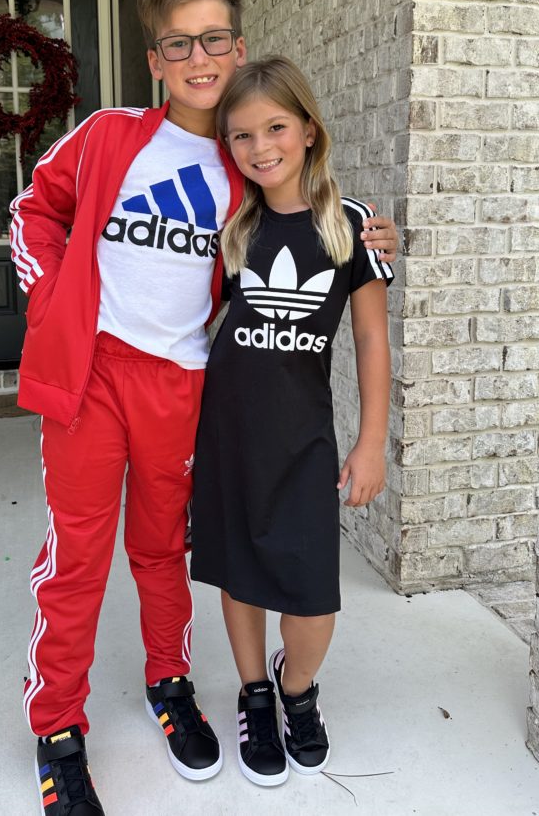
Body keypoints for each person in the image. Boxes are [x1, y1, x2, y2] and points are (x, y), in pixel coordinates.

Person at [9, 0, 399, 816]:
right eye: (178, 43)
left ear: (238, 44)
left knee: (160, 549)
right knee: (76, 556)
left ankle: (170, 681)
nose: (198, 57)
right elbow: (32, 209)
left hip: (183, 384)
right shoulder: (112, 135)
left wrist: (375, 233)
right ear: (155, 59)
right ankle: (58, 727)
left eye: (213, 37)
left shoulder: (244, 169)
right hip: (94, 375)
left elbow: (314, 220)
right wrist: (57, 302)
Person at [190, 55, 393, 788]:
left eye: (275, 127)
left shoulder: (353, 226)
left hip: (305, 437)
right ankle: (252, 691)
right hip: (228, 433)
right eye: (240, 135)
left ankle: (295, 686)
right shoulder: (228, 223)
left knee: (311, 590)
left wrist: (372, 442)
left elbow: (371, 338)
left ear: (309, 130)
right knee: (240, 571)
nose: (259, 146)